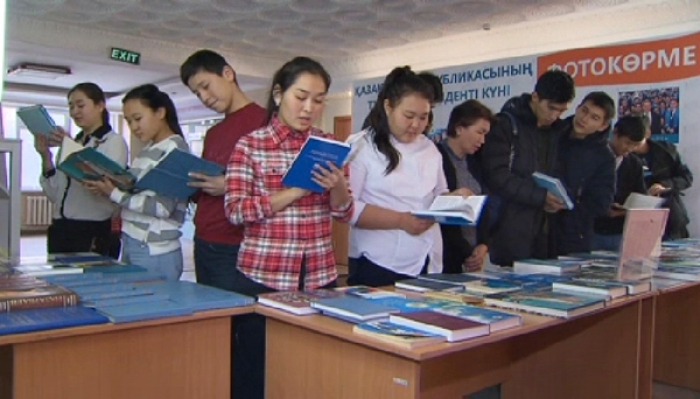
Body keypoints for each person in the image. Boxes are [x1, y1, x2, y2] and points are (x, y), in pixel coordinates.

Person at [224, 56, 352, 399]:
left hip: (319, 276)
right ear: (279, 94)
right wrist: (294, 191)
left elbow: (343, 213)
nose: (309, 107)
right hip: (263, 276)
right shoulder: (250, 146)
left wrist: (338, 185)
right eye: (301, 96)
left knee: (310, 368)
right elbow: (235, 211)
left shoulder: (328, 145)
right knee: (255, 369)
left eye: (319, 99)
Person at [347, 66, 468, 287]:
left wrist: (456, 199)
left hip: (426, 259)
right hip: (378, 262)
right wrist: (401, 221)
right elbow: (347, 208)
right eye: (408, 116)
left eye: (423, 117)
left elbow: (439, 194)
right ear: (388, 106)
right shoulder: (362, 146)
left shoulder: (429, 148)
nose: (416, 125)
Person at [179, 49, 267, 290]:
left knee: (238, 321)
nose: (204, 97)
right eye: (197, 93)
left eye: (206, 86)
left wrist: (229, 184)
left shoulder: (266, 122)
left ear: (228, 73)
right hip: (204, 238)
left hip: (239, 243)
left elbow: (283, 183)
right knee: (212, 321)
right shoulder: (213, 133)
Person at [84, 84, 189, 281]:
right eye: (129, 121)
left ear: (160, 112)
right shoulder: (148, 149)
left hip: (154, 249)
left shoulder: (176, 150)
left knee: (152, 309)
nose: (133, 127)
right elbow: (137, 191)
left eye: (138, 118)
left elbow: (161, 207)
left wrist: (113, 193)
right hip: (133, 240)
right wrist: (111, 185)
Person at [481, 69, 575, 266]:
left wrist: (556, 196)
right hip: (508, 228)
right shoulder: (506, 125)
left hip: (543, 230)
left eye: (561, 111)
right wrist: (540, 196)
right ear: (535, 97)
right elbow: (497, 176)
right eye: (551, 108)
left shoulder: (556, 132)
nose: (554, 116)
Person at [34, 82, 127, 256]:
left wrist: (69, 147)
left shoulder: (113, 142)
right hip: (61, 228)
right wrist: (46, 157)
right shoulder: (71, 143)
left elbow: (100, 184)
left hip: (91, 229)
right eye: (71, 106)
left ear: (100, 105)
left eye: (80, 105)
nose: (75, 111)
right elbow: (54, 194)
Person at [436, 99, 495, 273]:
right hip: (446, 257)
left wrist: (483, 244)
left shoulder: (476, 161)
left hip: (473, 256)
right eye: (479, 132)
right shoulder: (435, 158)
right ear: (460, 128)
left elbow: (484, 206)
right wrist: (466, 252)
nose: (482, 140)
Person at [556, 92, 616, 255]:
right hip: (536, 228)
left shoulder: (604, 157)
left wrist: (567, 211)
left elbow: (601, 203)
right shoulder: (553, 133)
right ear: (577, 108)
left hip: (573, 236)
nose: (584, 119)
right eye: (584, 110)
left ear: (603, 126)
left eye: (594, 118)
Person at [634, 113, 692, 240]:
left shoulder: (666, 151)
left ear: (647, 133)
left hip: (671, 217)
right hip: (640, 220)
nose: (634, 143)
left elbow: (687, 178)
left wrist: (665, 185)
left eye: (638, 137)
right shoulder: (624, 155)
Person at [593, 116, 647, 251]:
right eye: (627, 143)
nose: (630, 149)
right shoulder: (594, 154)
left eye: (635, 145)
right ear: (615, 132)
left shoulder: (634, 164)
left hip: (620, 231)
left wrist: (623, 211)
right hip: (590, 229)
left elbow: (640, 196)